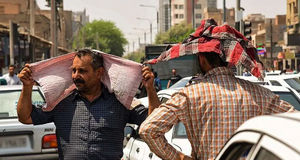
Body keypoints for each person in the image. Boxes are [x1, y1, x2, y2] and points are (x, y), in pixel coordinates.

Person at [139, 19, 295, 160]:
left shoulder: (188, 95)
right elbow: (294, 123)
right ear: (227, 59)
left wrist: (181, 158)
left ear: (202, 58)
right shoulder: (258, 94)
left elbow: (148, 129)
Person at [17, 49, 155, 160]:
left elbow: (154, 122)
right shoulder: (61, 102)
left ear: (99, 72)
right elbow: (25, 117)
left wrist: (150, 89)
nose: (75, 76)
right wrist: (27, 87)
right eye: (74, 70)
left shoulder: (120, 102)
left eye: (82, 71)